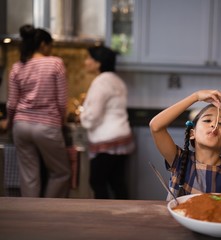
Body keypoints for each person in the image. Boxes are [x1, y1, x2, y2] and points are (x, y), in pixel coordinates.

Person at [6, 24, 70, 198]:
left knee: (29, 177)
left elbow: (12, 103)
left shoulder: (17, 67)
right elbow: (62, 102)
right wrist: (62, 123)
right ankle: (49, 212)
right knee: (60, 173)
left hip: (21, 126)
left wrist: (9, 122)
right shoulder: (56, 63)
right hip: (47, 126)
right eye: (50, 45)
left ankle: (31, 215)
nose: (51, 49)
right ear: (43, 44)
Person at [80, 46, 135, 199]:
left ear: (98, 63)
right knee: (117, 182)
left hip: (106, 139)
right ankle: (125, 217)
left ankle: (102, 218)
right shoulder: (118, 80)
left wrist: (83, 118)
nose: (86, 62)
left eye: (89, 58)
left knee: (96, 182)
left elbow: (93, 115)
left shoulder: (100, 82)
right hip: (122, 136)